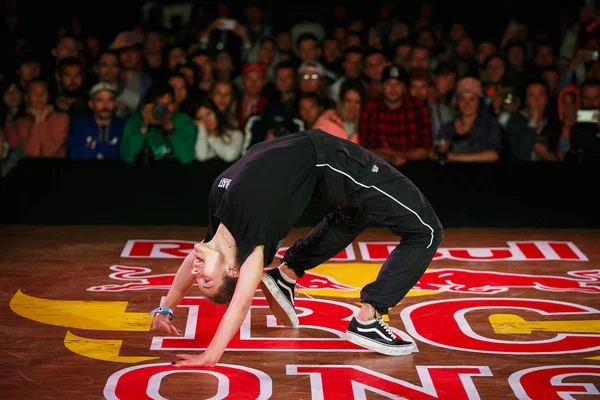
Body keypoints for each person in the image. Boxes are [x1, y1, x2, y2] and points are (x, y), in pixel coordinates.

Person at [149, 128, 444, 366]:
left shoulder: (217, 225)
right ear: (232, 269)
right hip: (330, 159)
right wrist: (210, 356)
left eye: (198, 278)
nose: (197, 271)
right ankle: (371, 315)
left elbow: (189, 265)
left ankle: (285, 275)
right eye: (206, 280)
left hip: (315, 169)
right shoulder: (253, 245)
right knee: (427, 230)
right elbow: (239, 304)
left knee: (357, 211)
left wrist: (166, 309)